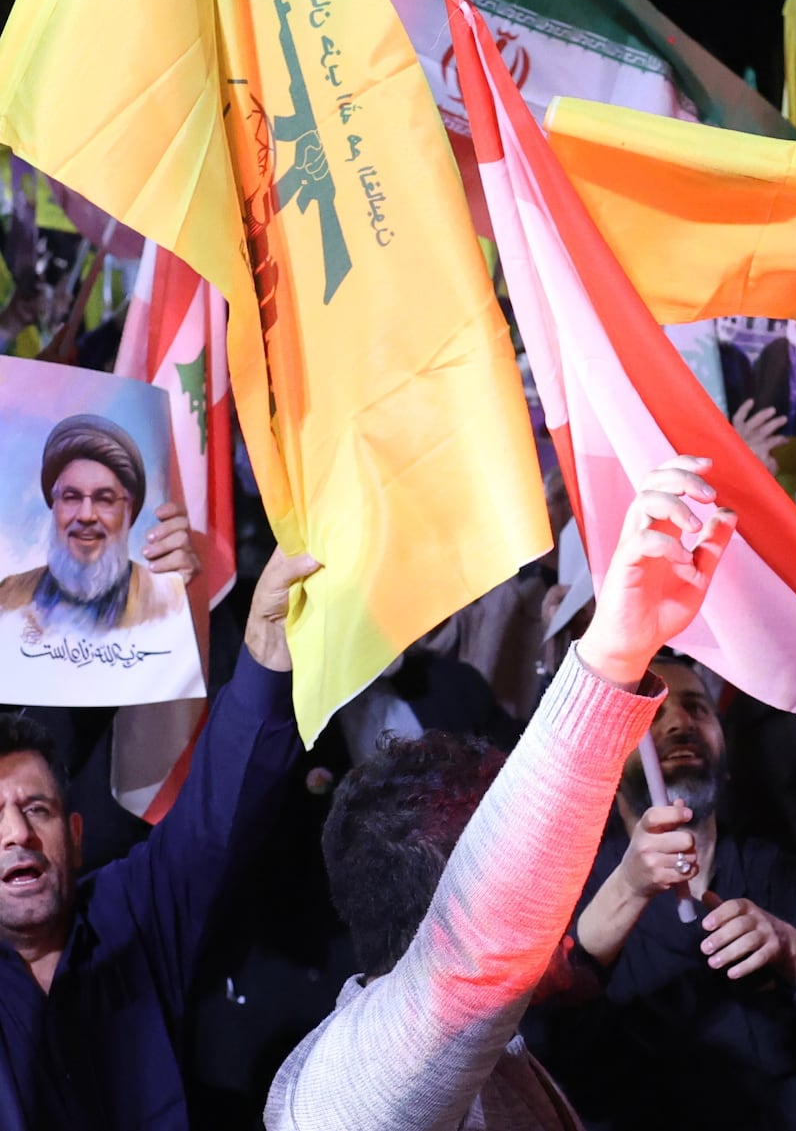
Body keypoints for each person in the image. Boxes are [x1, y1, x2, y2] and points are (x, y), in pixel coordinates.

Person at [266, 456, 737, 1131]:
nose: (560, 885)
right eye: (506, 845)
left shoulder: (502, 1049)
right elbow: (479, 948)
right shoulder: (347, 1092)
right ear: (455, 895)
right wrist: (613, 650)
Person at [0, 542, 315, 1130]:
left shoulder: (131, 912)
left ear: (74, 834)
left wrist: (267, 646)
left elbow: (215, 816)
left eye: (36, 808)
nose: (17, 832)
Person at [531, 656, 796, 1131]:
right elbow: (542, 1053)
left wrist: (793, 951)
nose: (680, 723)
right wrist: (628, 889)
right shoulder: (570, 887)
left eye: (697, 708)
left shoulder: (777, 873)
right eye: (652, 715)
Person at [0, 415, 186, 635]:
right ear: (54, 505)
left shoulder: (169, 601)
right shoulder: (9, 597)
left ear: (128, 511)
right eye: (71, 497)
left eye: (104, 499)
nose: (86, 515)